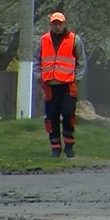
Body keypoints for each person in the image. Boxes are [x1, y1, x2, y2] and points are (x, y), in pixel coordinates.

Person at [33, 11, 87, 158]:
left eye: (59, 24)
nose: (57, 26)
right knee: (51, 117)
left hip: (68, 85)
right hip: (49, 85)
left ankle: (69, 145)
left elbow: (81, 62)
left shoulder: (74, 40)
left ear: (64, 24)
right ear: (50, 24)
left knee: (68, 113)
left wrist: (76, 80)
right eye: (54, 24)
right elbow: (36, 61)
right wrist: (40, 78)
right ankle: (55, 147)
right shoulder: (43, 40)